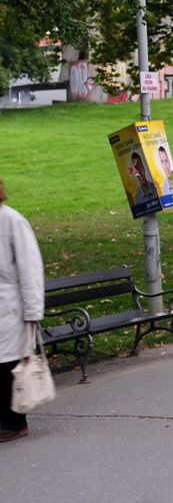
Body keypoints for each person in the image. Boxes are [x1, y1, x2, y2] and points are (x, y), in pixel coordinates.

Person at [0, 179, 45, 443]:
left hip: (10, 308)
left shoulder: (12, 221)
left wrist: (32, 312)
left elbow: (30, 270)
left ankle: (16, 422)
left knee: (8, 367)